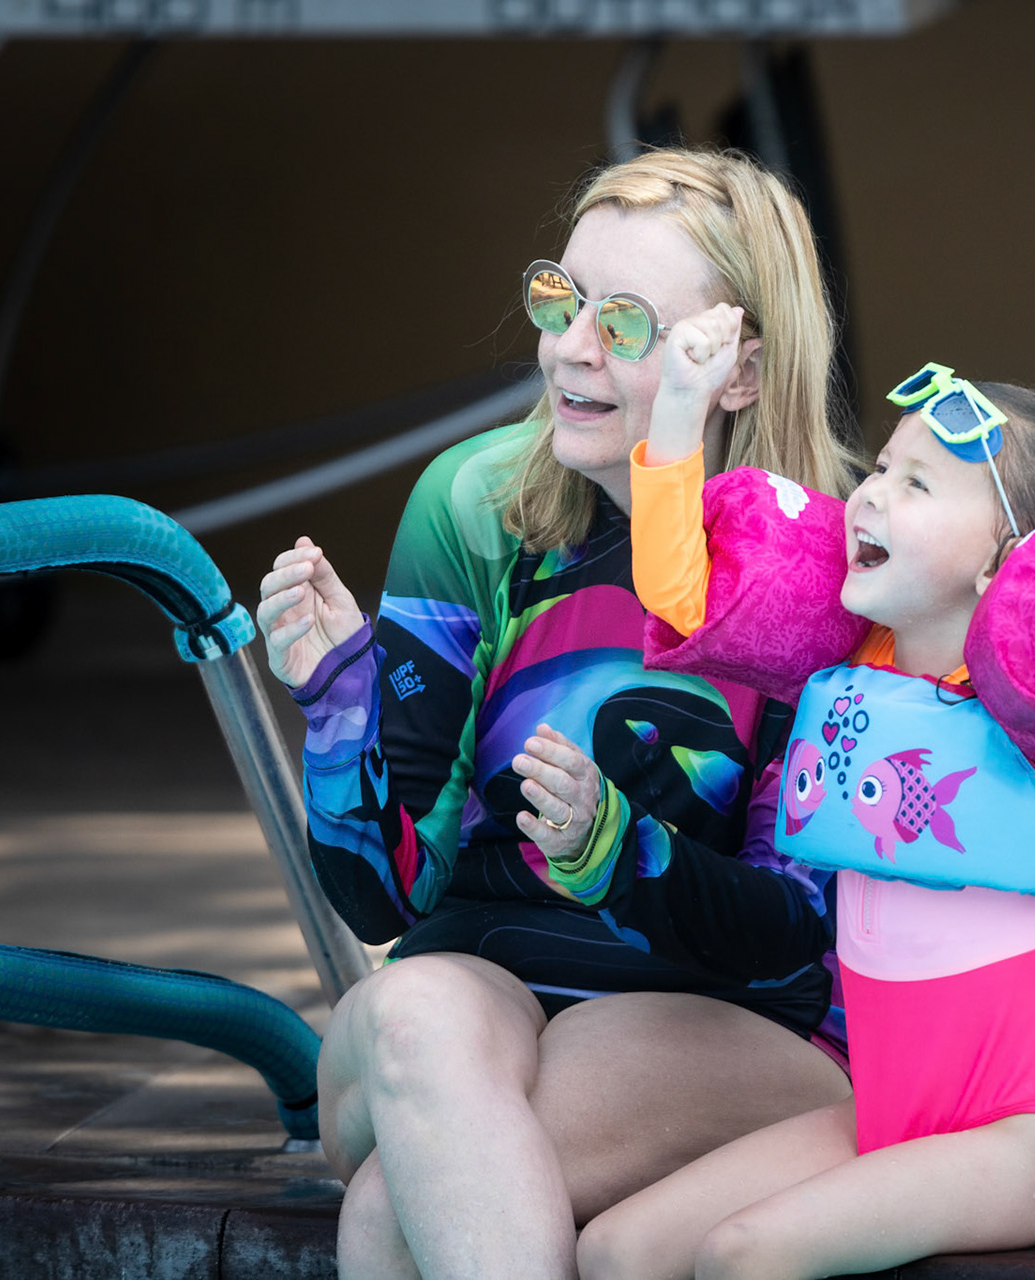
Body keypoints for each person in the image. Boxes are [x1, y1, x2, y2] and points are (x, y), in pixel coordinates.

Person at [254, 147, 864, 1279]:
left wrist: (612, 853)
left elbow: (800, 930)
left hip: (712, 1021)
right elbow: (385, 895)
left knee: (401, 1197)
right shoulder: (476, 505)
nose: (571, 347)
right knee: (407, 1013)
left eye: (627, 323)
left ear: (734, 371)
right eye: (562, 297)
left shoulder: (825, 574)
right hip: (474, 990)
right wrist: (342, 703)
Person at [549, 307, 1035, 1278]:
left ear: (1001, 559)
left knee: (743, 1252)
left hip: (1016, 1133)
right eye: (879, 468)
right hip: (881, 1108)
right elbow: (681, 591)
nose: (869, 496)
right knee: (617, 1249)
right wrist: (678, 409)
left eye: (916, 483)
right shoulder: (848, 668)